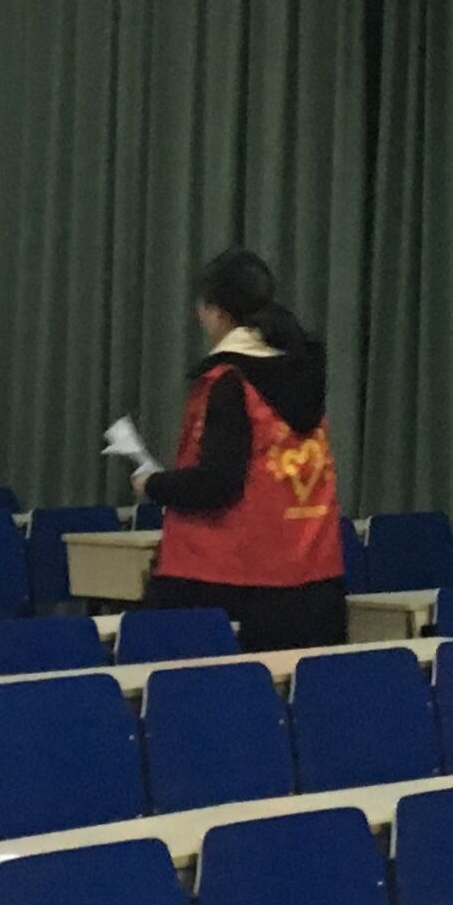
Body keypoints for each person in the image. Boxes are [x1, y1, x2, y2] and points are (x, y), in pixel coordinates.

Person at [137, 250, 344, 652]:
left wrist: (153, 485)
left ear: (215, 313)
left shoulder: (229, 381)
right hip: (313, 576)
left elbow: (218, 485)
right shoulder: (303, 371)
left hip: (229, 578)